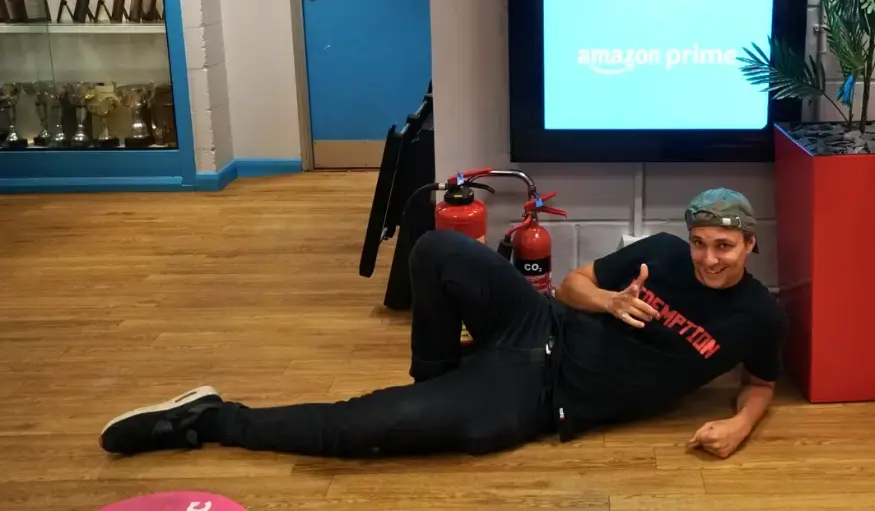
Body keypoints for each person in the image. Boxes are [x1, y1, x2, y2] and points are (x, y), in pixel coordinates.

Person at [99, 188, 787, 461]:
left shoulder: (759, 313)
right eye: (701, 242)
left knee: (362, 429)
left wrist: (739, 425)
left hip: (542, 398)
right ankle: (436, 380)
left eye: (723, 247)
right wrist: (607, 302)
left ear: (751, 246)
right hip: (535, 322)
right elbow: (576, 281)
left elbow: (760, 384)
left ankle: (211, 419)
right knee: (434, 248)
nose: (706, 258)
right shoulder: (662, 253)